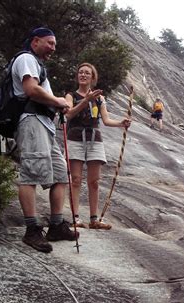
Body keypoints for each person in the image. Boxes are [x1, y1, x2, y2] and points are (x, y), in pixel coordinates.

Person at [12, 27, 79, 253]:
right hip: (31, 121)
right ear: (35, 41)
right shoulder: (26, 59)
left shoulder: (38, 64)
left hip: (44, 124)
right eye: (50, 43)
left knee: (61, 173)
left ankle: (56, 225)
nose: (53, 48)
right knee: (30, 173)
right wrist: (58, 100)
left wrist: (56, 105)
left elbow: (40, 93)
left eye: (55, 44)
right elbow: (31, 90)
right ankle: (32, 230)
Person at [65, 62, 131, 230]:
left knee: (94, 181)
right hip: (75, 137)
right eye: (81, 72)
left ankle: (94, 219)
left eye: (87, 73)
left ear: (92, 77)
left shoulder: (100, 98)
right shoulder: (71, 95)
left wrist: (121, 123)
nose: (83, 75)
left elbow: (106, 120)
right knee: (76, 180)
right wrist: (86, 100)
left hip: (95, 138)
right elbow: (69, 114)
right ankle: (76, 218)